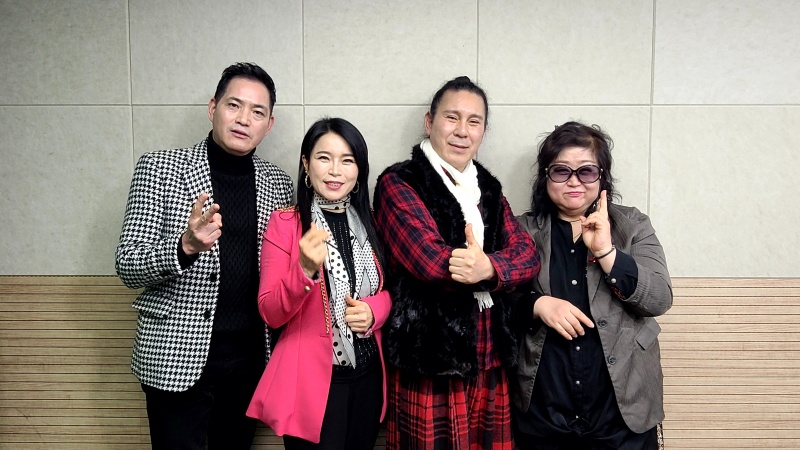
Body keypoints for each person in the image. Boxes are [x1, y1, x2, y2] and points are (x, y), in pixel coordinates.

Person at [115, 62, 293, 449]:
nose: (244, 119)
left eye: (257, 112)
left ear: (269, 124)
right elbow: (128, 264)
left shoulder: (278, 182)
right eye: (234, 105)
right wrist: (185, 247)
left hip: (249, 361)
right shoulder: (159, 168)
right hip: (175, 358)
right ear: (213, 108)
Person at [373, 76, 540, 450]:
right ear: (429, 122)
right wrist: (495, 269)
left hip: (491, 358)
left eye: (474, 121)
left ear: (483, 131)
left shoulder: (488, 188)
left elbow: (528, 256)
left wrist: (489, 269)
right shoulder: (400, 182)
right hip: (430, 361)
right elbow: (432, 262)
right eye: (452, 117)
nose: (462, 131)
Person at [511, 121, 671, 449]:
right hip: (545, 412)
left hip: (622, 412)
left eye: (586, 171)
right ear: (545, 177)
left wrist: (607, 253)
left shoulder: (633, 226)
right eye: (561, 171)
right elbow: (494, 302)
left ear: (602, 177)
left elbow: (659, 298)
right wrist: (537, 305)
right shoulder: (520, 231)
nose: (574, 181)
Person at [246, 117, 391, 450]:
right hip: (312, 384)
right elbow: (270, 312)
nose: (335, 170)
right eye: (324, 158)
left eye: (347, 160)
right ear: (306, 164)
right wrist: (305, 270)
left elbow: (390, 292)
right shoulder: (285, 224)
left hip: (369, 376)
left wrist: (374, 311)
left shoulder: (371, 222)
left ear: (359, 170)